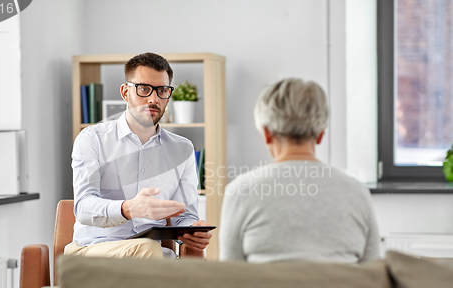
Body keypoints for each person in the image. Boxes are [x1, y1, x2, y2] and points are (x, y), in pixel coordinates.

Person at [64, 52, 212, 259]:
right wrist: (128, 208)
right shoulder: (92, 139)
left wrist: (194, 230)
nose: (153, 99)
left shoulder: (182, 149)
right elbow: (83, 207)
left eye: (162, 90)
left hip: (153, 257)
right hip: (93, 252)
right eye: (143, 89)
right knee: (149, 250)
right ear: (126, 92)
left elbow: (184, 215)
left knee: (168, 257)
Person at [219, 78, 380, 263]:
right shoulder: (357, 192)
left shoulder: (240, 191)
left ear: (266, 134)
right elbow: (373, 275)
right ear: (321, 134)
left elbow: (229, 279)